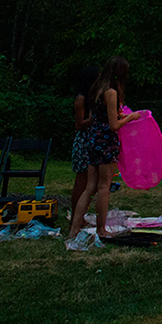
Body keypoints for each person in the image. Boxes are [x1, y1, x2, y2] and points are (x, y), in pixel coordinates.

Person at [67, 56, 142, 248]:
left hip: (92, 140)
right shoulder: (111, 92)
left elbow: (97, 117)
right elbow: (113, 125)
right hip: (106, 142)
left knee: (90, 186)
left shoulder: (95, 89)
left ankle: (73, 229)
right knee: (103, 187)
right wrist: (131, 117)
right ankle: (101, 229)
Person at [67, 64, 99, 234]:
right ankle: (75, 218)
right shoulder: (81, 98)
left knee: (90, 183)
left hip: (92, 140)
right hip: (83, 142)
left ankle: (82, 215)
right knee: (81, 182)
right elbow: (79, 124)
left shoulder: (93, 97)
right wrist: (95, 118)